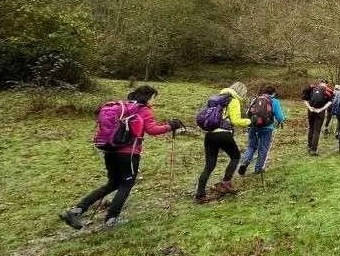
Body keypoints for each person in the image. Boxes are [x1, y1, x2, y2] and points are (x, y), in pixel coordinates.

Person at [60, 85, 183, 229]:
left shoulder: (124, 107)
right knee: (127, 184)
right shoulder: (144, 110)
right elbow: (152, 130)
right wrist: (170, 126)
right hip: (128, 154)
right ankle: (111, 219)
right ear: (148, 97)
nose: (154, 101)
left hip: (110, 150)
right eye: (153, 98)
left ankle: (77, 210)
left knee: (113, 183)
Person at [195, 82, 251, 203]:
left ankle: (200, 194)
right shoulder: (233, 100)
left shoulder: (216, 99)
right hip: (223, 134)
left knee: (209, 166)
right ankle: (226, 182)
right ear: (241, 92)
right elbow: (236, 121)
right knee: (235, 156)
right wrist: (249, 121)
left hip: (209, 135)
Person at [238, 85, 286, 176]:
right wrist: (281, 120)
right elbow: (280, 117)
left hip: (253, 126)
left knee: (251, 146)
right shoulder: (274, 101)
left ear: (263, 92)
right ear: (273, 93)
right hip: (267, 128)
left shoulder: (255, 99)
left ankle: (245, 162)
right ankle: (258, 169)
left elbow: (248, 113)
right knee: (263, 147)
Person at [301, 79, 332, 156]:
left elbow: (304, 99)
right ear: (326, 84)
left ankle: (309, 146)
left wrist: (310, 108)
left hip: (310, 111)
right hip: (320, 112)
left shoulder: (312, 88)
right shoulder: (327, 91)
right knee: (317, 131)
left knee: (311, 128)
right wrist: (321, 109)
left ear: (319, 83)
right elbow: (330, 102)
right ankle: (313, 150)